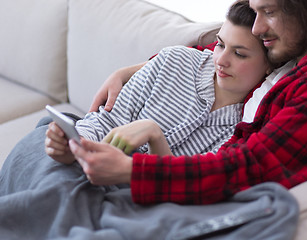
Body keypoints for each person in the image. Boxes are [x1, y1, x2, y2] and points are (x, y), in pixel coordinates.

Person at [68, 0, 307, 205]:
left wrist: (131, 170)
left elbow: (251, 168)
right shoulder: (301, 42)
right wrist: (135, 69)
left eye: (268, 11)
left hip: (204, 192)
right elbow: (222, 50)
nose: (258, 28)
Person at [45, 2, 271, 164]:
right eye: (220, 45)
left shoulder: (245, 128)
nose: (220, 60)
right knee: (39, 151)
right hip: (87, 160)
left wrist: (154, 136)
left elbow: (187, 184)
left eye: (239, 54)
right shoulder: (174, 61)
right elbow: (107, 121)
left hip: (134, 193)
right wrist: (74, 146)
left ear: (269, 65)